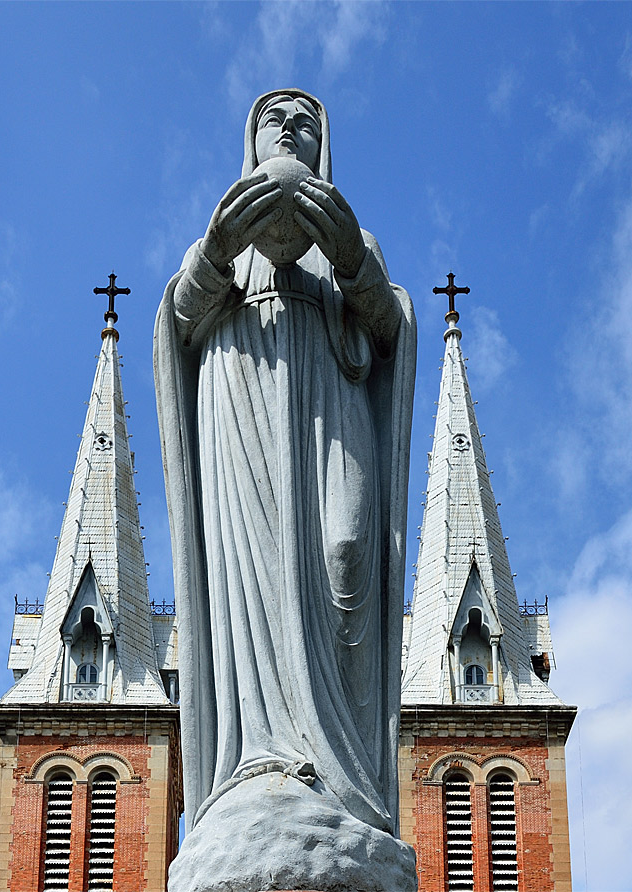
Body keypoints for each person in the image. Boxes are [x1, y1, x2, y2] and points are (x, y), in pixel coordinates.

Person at [154, 89, 417, 891]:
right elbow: (179, 317)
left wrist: (349, 258)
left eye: (307, 122)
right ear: (251, 139)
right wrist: (216, 247)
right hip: (240, 397)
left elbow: (388, 322)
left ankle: (349, 788)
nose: (292, 131)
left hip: (332, 400)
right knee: (254, 577)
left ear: (324, 142)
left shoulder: (353, 238)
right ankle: (259, 764)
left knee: (347, 556)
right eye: (277, 120)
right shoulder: (224, 231)